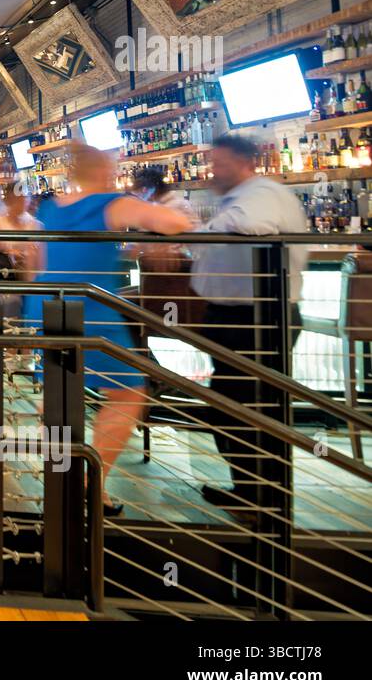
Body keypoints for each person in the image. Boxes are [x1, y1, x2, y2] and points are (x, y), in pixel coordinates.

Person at [22, 143, 193, 512]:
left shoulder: (51, 208)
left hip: (45, 305)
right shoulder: (111, 203)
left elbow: (42, 259)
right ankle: (92, 482)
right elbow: (177, 223)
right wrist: (155, 225)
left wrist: (126, 250)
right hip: (90, 308)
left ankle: (62, 483)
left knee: (59, 394)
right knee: (129, 391)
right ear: (104, 171)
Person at [190, 134, 307, 513]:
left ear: (245, 163)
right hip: (238, 317)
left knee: (243, 407)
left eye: (220, 163)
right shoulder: (240, 196)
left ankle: (261, 496)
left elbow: (251, 224)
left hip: (256, 319)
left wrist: (197, 233)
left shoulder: (261, 194)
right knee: (235, 405)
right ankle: (252, 490)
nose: (212, 170)